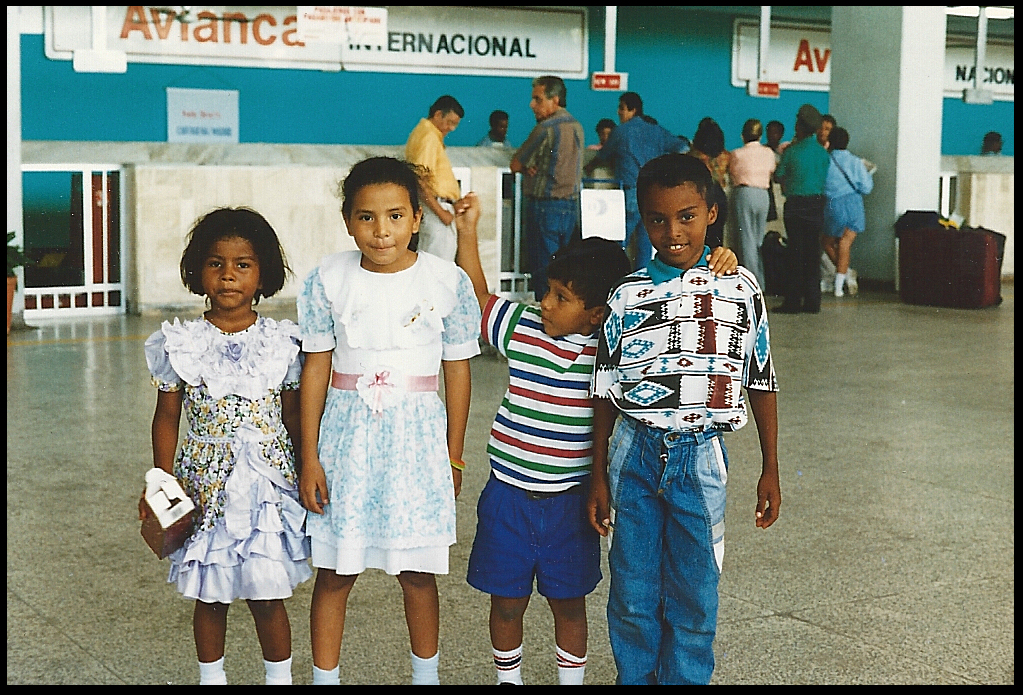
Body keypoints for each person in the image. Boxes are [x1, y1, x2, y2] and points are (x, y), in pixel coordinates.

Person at [452, 190, 738, 686]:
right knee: (506, 601)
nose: (544, 302)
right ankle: (507, 680)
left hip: (570, 501)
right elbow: (476, 294)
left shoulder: (614, 351)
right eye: (547, 290)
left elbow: (677, 301)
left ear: (595, 313)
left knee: (569, 603)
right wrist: (469, 230)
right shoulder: (522, 328)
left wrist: (718, 259)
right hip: (508, 494)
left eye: (561, 297)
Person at [588, 153, 781, 685]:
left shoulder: (740, 288)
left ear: (713, 213)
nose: (672, 232)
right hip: (634, 453)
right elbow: (605, 390)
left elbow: (761, 380)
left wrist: (771, 468)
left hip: (701, 457)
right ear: (641, 218)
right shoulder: (625, 296)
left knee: (696, 593)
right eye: (656, 219)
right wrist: (598, 473)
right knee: (632, 590)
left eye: (687, 216)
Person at [297, 157, 481, 686]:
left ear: (418, 219)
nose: (382, 231)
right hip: (345, 442)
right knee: (335, 570)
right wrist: (310, 456)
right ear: (347, 220)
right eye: (367, 217)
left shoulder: (445, 280)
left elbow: (458, 374)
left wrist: (453, 454)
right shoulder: (328, 279)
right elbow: (316, 369)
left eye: (396, 216)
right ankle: (325, 678)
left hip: (417, 442)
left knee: (418, 572)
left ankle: (427, 677)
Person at [140, 207, 311, 685]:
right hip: (203, 487)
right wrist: (161, 479)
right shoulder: (181, 343)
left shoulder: (283, 342)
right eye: (216, 264)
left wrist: (306, 467)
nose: (229, 275)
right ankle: (210, 678)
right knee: (209, 594)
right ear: (197, 271)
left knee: (266, 592)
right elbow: (167, 415)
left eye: (243, 264)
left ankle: (280, 679)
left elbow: (294, 414)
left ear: (263, 274)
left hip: (266, 488)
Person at [584, 91, 687, 269]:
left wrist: (589, 166)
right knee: (646, 243)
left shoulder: (621, 131)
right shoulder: (656, 131)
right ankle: (642, 282)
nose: (618, 112)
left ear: (633, 110)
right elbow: (683, 147)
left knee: (618, 241)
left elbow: (603, 155)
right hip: (655, 194)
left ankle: (615, 277)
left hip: (631, 191)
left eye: (621, 108)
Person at [511, 75, 585, 302]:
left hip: (544, 207)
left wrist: (527, 168)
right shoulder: (577, 126)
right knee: (564, 269)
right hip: (571, 207)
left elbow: (515, 164)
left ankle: (543, 322)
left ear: (555, 100)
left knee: (544, 269)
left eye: (538, 99)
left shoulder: (546, 128)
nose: (532, 105)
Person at [773, 103, 831, 314]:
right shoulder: (823, 154)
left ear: (800, 127)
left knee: (795, 254)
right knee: (812, 253)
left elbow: (779, 175)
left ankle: (793, 302)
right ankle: (813, 301)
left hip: (796, 205)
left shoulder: (792, 151)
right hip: (817, 204)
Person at [405, 95, 465, 262]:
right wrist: (440, 212)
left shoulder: (424, 133)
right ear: (438, 114)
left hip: (436, 208)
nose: (451, 128)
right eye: (450, 122)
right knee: (438, 267)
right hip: (436, 210)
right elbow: (419, 179)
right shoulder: (429, 137)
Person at [822, 127, 874, 297]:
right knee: (845, 243)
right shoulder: (856, 162)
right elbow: (867, 187)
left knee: (828, 243)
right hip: (854, 205)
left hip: (833, 206)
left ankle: (845, 276)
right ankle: (839, 285)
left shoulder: (826, 161)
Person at [728, 118, 777, 291]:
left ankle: (751, 284)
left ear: (743, 136)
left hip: (744, 193)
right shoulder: (769, 153)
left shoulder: (736, 154)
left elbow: (732, 173)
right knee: (758, 240)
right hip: (764, 195)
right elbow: (772, 171)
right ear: (760, 135)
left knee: (746, 240)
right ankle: (761, 282)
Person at [688, 118, 730, 248]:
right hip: (720, 196)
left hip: (700, 196)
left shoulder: (692, 157)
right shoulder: (724, 156)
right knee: (717, 241)